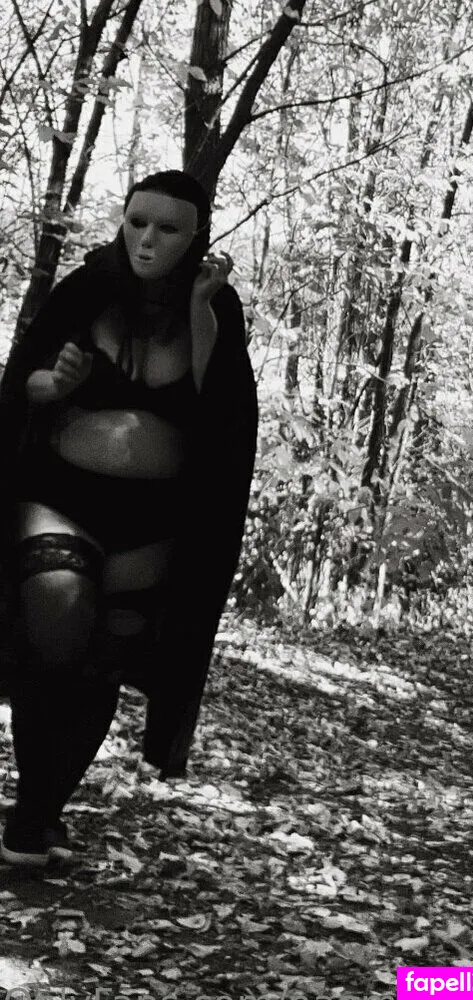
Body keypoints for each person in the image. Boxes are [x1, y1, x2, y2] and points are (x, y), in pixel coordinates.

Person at [0, 170, 258, 866]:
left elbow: (220, 410)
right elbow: (24, 382)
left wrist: (201, 307)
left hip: (154, 522)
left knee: (102, 662)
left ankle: (39, 813)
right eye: (138, 221)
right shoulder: (85, 289)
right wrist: (57, 383)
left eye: (167, 228)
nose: (147, 239)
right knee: (58, 623)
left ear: (195, 237)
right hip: (61, 498)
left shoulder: (215, 306)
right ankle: (31, 819)